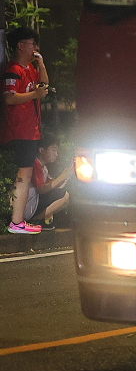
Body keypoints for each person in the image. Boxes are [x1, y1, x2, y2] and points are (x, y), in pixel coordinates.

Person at [3, 27, 48, 234]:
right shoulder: (13, 69)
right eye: (32, 43)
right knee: (23, 176)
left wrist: (41, 64)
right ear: (21, 45)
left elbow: (44, 86)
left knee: (25, 175)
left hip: (31, 130)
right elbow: (9, 98)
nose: (35, 47)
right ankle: (16, 221)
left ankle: (17, 220)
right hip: (19, 130)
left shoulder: (30, 68)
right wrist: (33, 95)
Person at [28, 135, 69, 230]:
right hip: (30, 205)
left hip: (34, 202)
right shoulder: (36, 164)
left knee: (65, 199)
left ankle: (40, 220)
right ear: (41, 150)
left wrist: (68, 176)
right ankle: (34, 220)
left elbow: (54, 187)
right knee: (65, 195)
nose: (56, 154)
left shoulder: (44, 167)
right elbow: (41, 189)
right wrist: (62, 176)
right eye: (53, 150)